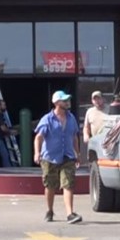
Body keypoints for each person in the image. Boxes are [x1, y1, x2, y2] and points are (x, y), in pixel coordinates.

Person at [34, 90, 83, 224]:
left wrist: (77, 154)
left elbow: (74, 137)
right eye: (64, 100)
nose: (67, 102)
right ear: (56, 102)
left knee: (68, 184)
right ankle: (49, 210)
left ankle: (70, 214)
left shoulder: (71, 118)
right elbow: (38, 138)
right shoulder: (47, 119)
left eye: (68, 100)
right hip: (50, 157)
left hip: (67, 156)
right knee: (50, 186)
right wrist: (37, 153)